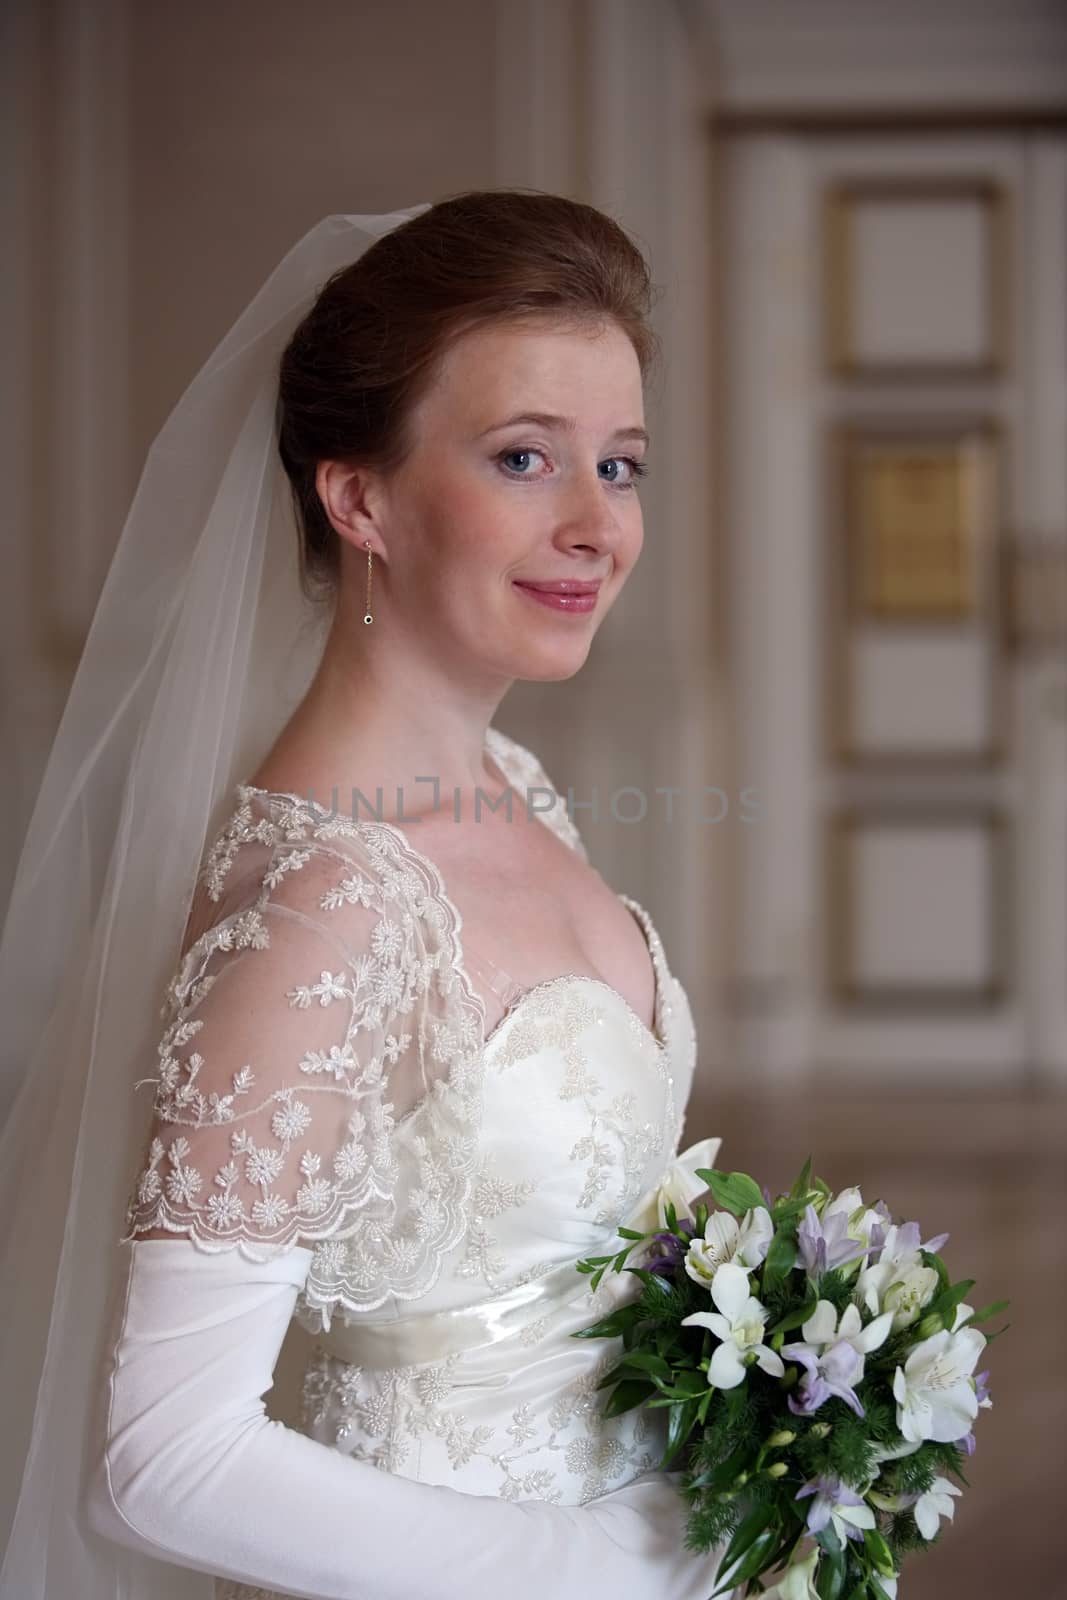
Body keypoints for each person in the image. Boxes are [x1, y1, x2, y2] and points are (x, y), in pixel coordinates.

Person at [0, 190, 729, 1600]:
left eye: (621, 466)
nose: (596, 525)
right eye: (526, 457)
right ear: (361, 497)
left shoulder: (513, 779)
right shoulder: (326, 905)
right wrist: (607, 1568)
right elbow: (167, 1456)